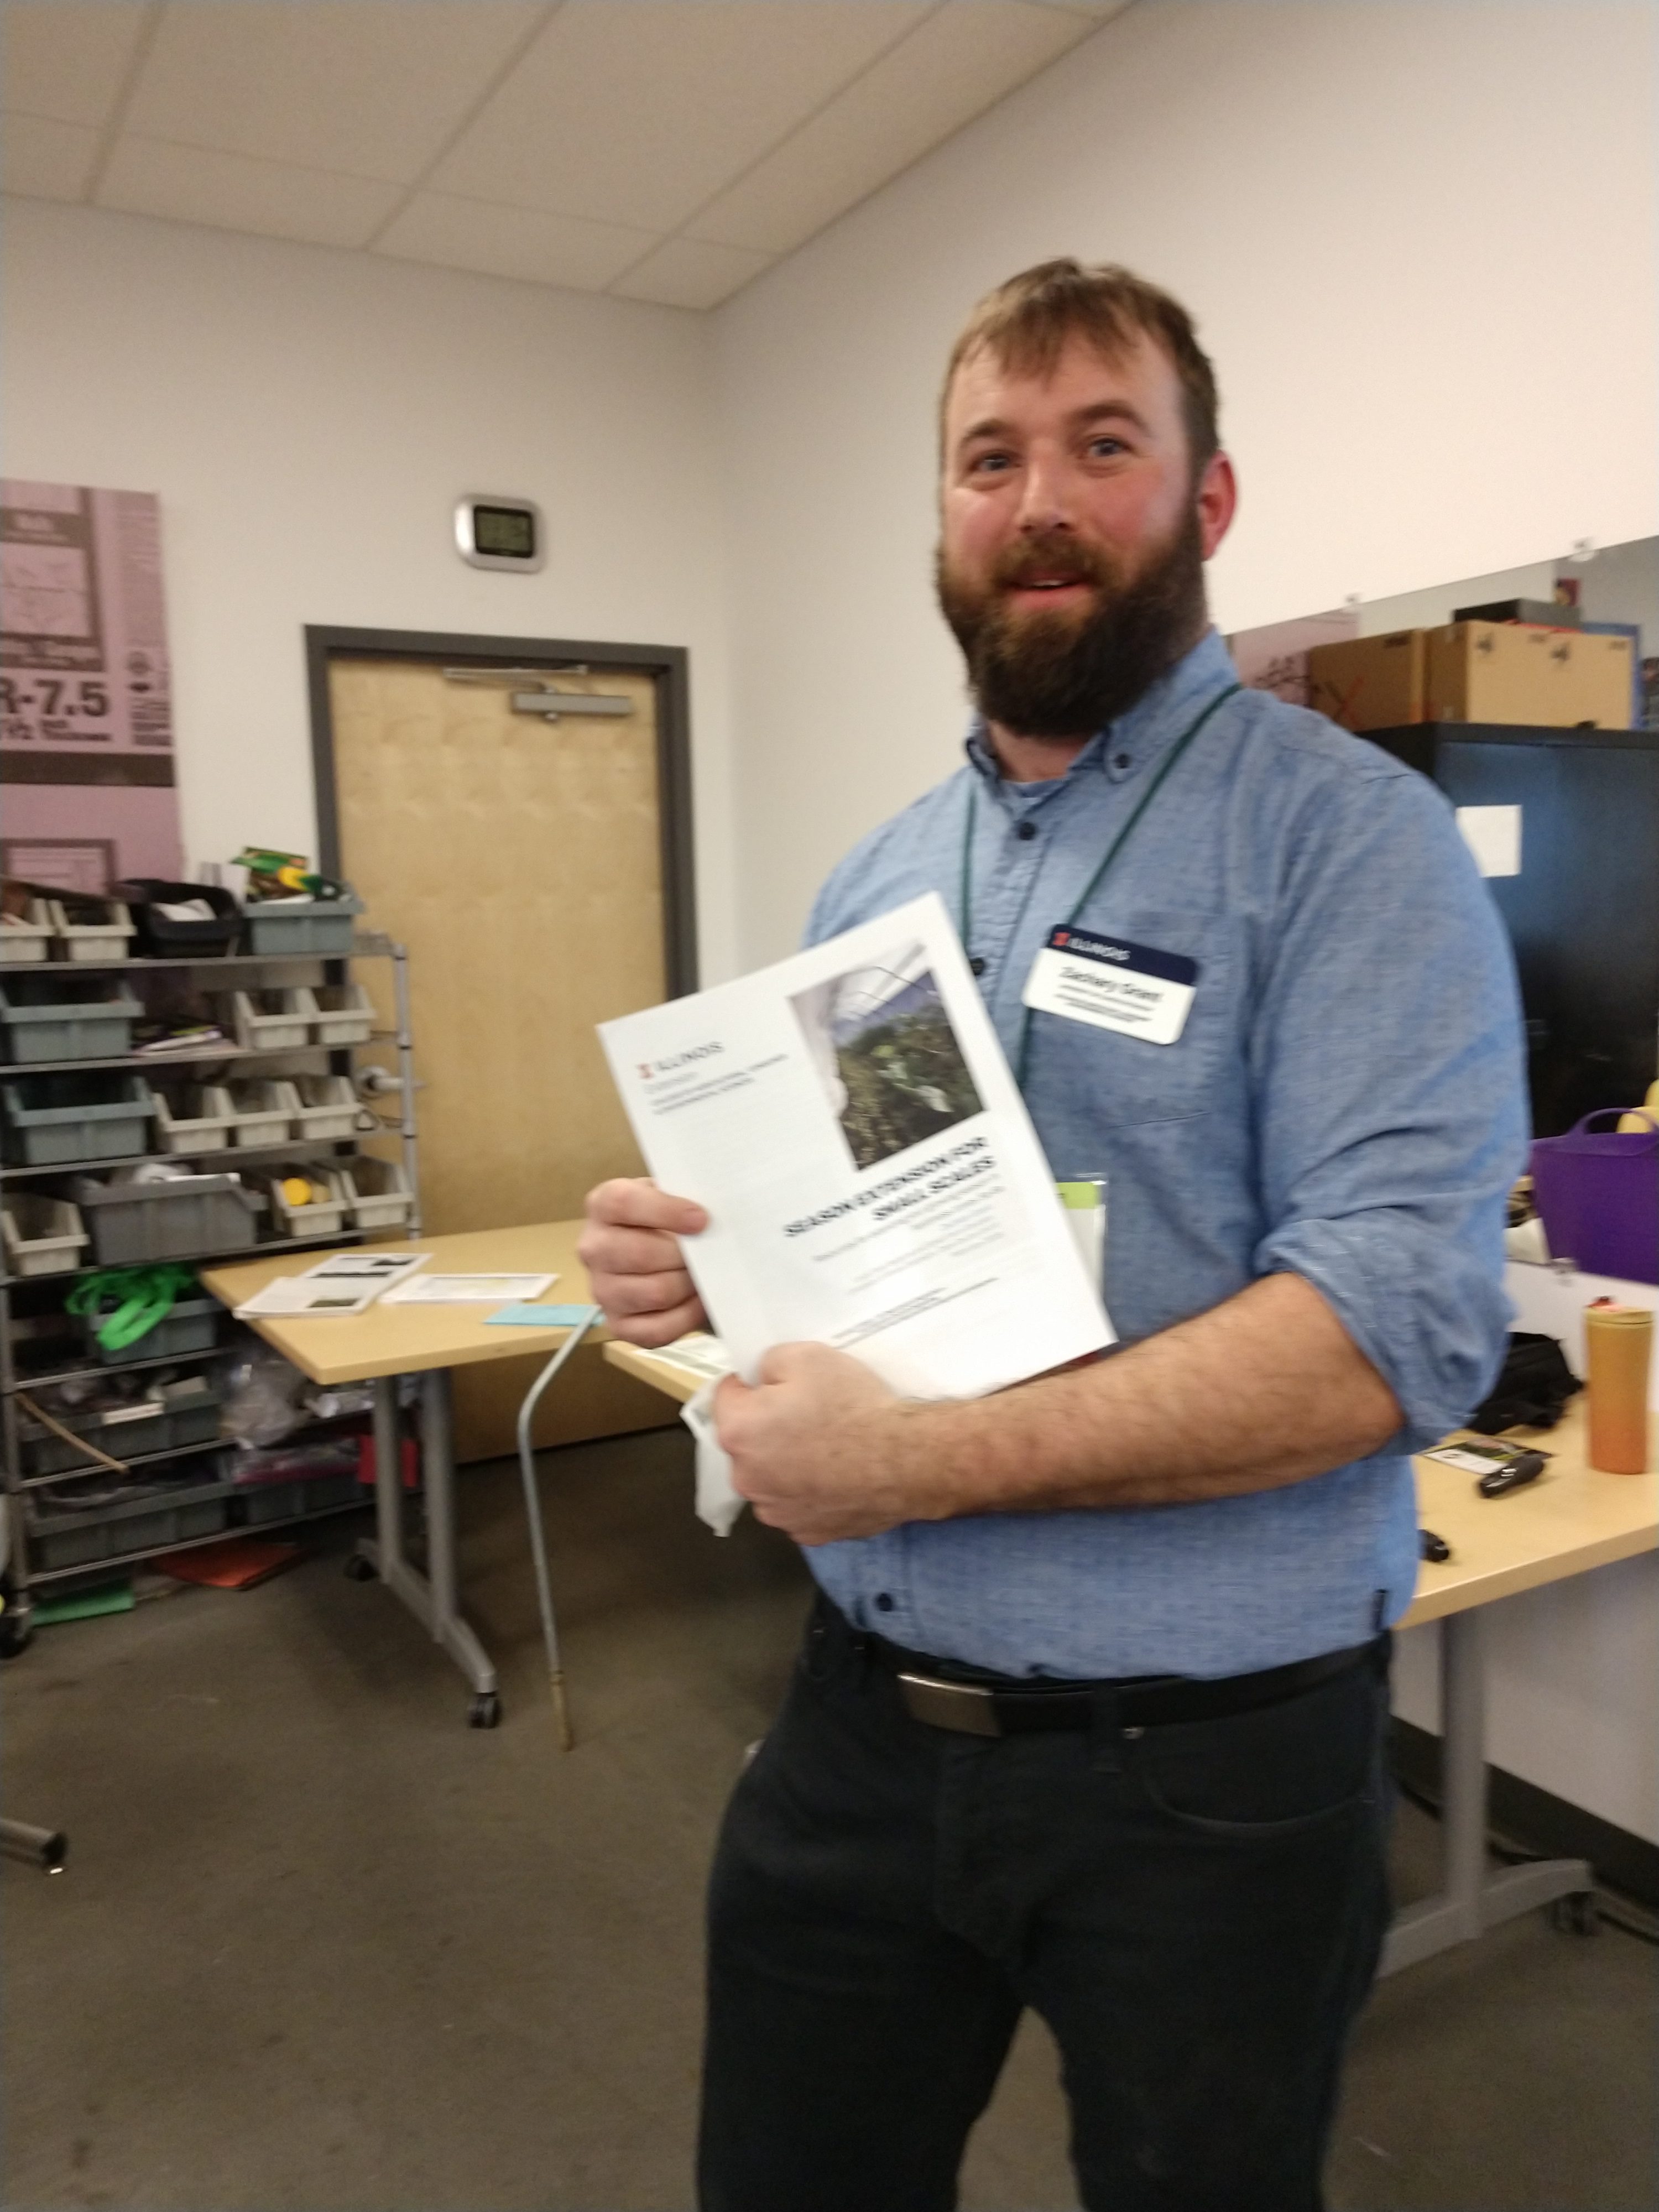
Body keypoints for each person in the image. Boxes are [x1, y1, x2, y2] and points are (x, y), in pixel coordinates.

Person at [580, 259, 1526, 2212]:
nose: (1040, 504)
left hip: (1212, 1777)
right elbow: (862, 1251)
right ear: (944, 514)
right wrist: (706, 1266)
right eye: (990, 459)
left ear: (1209, 497)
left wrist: (913, 1463)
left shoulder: (1348, 843)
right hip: (863, 1721)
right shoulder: (875, 879)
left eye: (1104, 446)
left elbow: (1397, 1330)